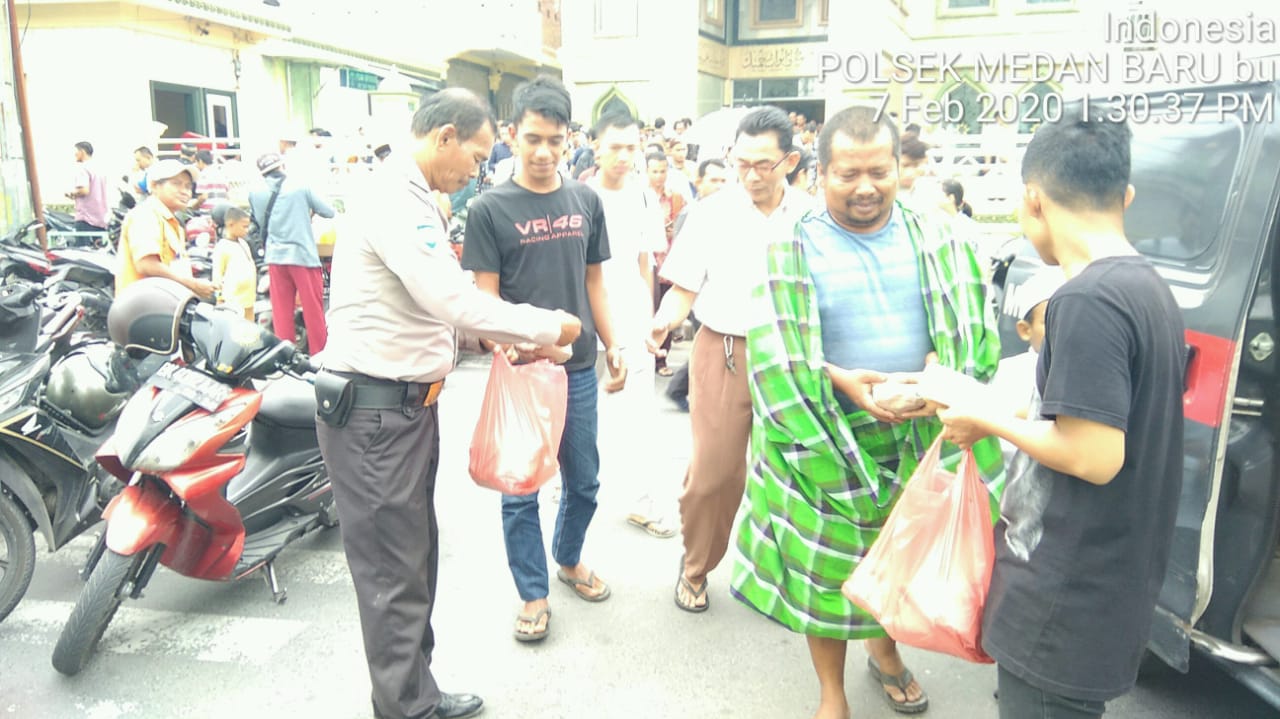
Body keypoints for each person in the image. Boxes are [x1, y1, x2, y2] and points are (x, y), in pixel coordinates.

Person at [730, 105, 1005, 718]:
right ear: (819, 173)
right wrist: (841, 381)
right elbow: (778, 352)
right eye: (847, 173)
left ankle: (885, 655)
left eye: (879, 171)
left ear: (899, 169)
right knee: (826, 576)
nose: (864, 187)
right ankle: (831, 692)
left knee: (897, 556)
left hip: (922, 430)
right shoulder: (788, 244)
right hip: (824, 434)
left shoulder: (940, 235)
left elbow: (975, 333)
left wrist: (942, 376)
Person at [318, 87, 582, 719]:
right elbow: (454, 301)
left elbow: (439, 306)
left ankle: (413, 694)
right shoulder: (395, 199)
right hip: (377, 415)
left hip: (399, 410)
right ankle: (407, 707)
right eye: (477, 154)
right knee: (393, 576)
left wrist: (504, 338)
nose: (478, 170)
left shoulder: (412, 197)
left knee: (410, 563)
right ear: (444, 137)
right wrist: (548, 326)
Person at [929, 106, 1185, 719]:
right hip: (1104, 588)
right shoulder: (1145, 285)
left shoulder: (1086, 300)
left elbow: (1093, 457)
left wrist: (983, 419)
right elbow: (1084, 417)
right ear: (1124, 196)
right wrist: (980, 397)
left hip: (1063, 599)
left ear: (1033, 201)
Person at [462, 75, 624, 643]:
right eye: (532, 138)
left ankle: (569, 556)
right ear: (512, 134)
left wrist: (614, 342)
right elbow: (484, 302)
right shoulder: (487, 208)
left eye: (556, 140)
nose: (544, 151)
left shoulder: (585, 200)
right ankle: (533, 592)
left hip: (578, 370)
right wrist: (510, 344)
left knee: (585, 484)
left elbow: (595, 282)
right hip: (523, 376)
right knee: (520, 489)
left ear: (569, 138)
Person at [645, 106, 811, 614]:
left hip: (793, 356)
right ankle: (696, 564)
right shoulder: (712, 213)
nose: (752, 175)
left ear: (790, 161)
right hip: (726, 351)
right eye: (742, 164)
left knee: (792, 474)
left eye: (764, 164)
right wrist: (665, 320)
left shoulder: (811, 216)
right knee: (715, 474)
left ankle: (782, 575)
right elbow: (685, 287)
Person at [585, 109, 673, 540]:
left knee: (641, 417)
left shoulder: (643, 198)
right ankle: (571, 492)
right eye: (615, 146)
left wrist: (652, 322)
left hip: (633, 323)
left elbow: (646, 266)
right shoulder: (576, 198)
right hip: (586, 327)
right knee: (583, 416)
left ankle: (645, 504)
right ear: (596, 146)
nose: (623, 156)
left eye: (631, 147)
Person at [248, 151, 335, 355]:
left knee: (281, 313)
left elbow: (260, 221)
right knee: (313, 311)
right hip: (303, 256)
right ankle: (319, 356)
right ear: (282, 166)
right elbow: (329, 211)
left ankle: (286, 357)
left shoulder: (254, 192)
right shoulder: (300, 186)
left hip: (275, 258)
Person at [115, 159, 215, 298]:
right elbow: (146, 265)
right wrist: (192, 284)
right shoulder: (146, 214)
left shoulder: (172, 222)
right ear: (154, 186)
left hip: (164, 305)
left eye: (188, 186)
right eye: (176, 184)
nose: (185, 191)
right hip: (144, 308)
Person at [212, 206, 258, 320]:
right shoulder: (222, 247)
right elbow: (217, 275)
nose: (247, 230)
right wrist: (219, 298)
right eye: (244, 227)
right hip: (233, 302)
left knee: (249, 332)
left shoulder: (244, 243)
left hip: (248, 299)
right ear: (231, 224)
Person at [67, 141, 109, 240]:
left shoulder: (83, 169)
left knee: (82, 252)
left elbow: (84, 190)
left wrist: (71, 193)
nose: (75, 154)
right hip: (100, 218)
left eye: (76, 152)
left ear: (82, 152)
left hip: (86, 218)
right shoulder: (100, 169)